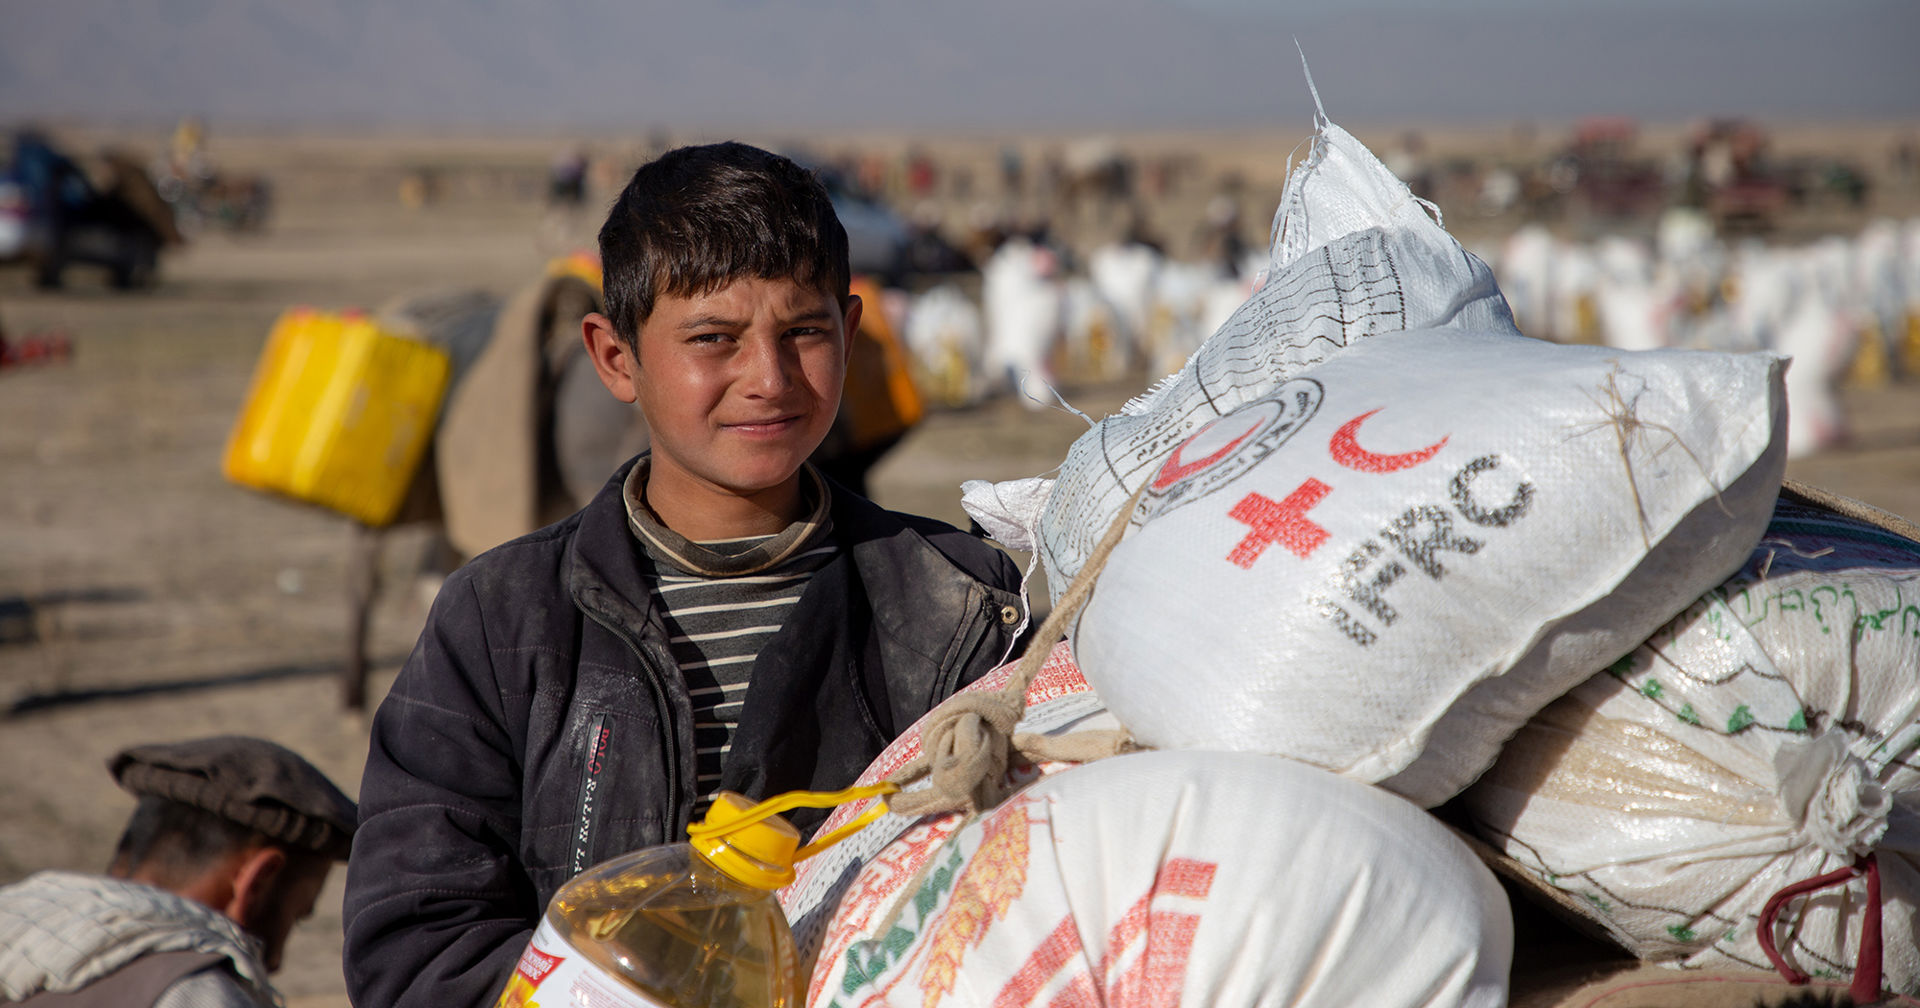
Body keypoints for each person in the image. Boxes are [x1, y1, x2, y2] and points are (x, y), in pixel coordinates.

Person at [344, 141, 1027, 1008]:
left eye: (804, 333)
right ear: (615, 358)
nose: (769, 379)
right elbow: (417, 946)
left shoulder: (963, 609)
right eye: (714, 339)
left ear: (850, 337)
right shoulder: (500, 620)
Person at [0, 736, 356, 1007]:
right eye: (295, 917)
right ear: (255, 882)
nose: (275, 961)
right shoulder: (194, 992)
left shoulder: (15, 919)